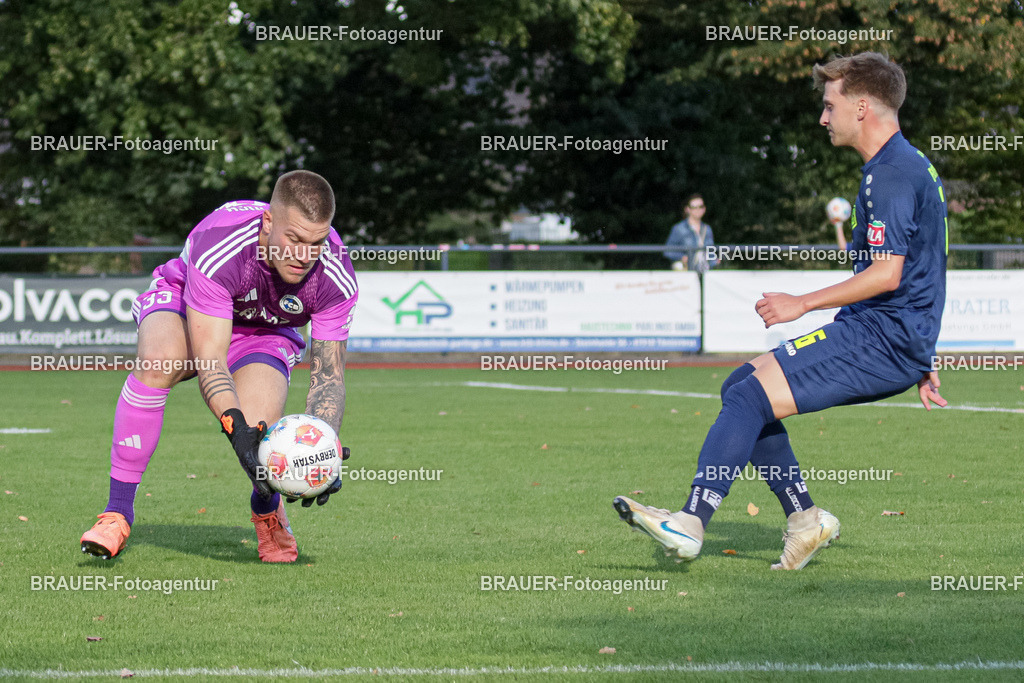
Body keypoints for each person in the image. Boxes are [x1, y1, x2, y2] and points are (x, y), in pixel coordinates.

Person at [615, 52, 948, 570]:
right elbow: (923, 264)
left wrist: (802, 304)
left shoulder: (892, 175)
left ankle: (690, 522)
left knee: (748, 397)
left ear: (862, 107)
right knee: (739, 388)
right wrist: (923, 352)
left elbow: (889, 274)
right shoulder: (900, 166)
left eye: (829, 104)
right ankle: (804, 520)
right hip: (888, 335)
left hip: (882, 339)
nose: (822, 117)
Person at [80, 170, 358, 563]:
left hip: (265, 329)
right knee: (159, 361)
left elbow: (329, 378)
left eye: (314, 244)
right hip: (187, 304)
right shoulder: (222, 245)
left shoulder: (336, 276)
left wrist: (321, 443)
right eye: (293, 239)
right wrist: (233, 426)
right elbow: (210, 360)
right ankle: (117, 513)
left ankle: (267, 511)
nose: (303, 255)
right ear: (268, 222)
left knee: (264, 431)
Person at [664, 194, 717, 273]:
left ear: (704, 209)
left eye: (700, 207)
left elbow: (711, 252)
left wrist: (715, 262)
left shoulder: (707, 229)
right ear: (687, 209)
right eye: (694, 207)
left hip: (706, 272)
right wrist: (682, 257)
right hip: (687, 273)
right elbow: (667, 251)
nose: (698, 210)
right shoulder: (679, 229)